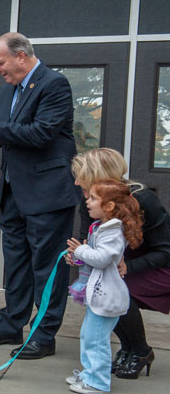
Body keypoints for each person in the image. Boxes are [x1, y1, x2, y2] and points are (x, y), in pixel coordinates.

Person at [0, 32, 80, 358]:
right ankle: (10, 326)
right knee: (17, 265)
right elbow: (1, 135)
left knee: (47, 267)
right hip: (13, 194)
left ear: (21, 56)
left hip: (47, 194)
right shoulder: (8, 91)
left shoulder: (54, 85)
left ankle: (43, 334)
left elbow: (41, 133)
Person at [72, 148, 170, 380]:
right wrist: (77, 254)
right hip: (121, 267)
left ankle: (140, 350)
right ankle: (127, 348)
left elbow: (166, 251)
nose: (76, 182)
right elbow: (88, 242)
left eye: (81, 176)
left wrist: (129, 268)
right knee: (100, 289)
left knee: (116, 288)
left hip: (158, 267)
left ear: (100, 175)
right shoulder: (91, 201)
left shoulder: (143, 199)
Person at [65, 179, 143, 394]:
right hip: (98, 294)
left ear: (109, 206)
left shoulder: (113, 231)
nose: (87, 202)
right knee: (88, 336)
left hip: (107, 295)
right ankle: (89, 375)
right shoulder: (101, 227)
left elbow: (101, 258)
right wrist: (78, 258)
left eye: (93, 198)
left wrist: (81, 251)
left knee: (96, 341)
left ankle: (98, 382)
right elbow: (95, 258)